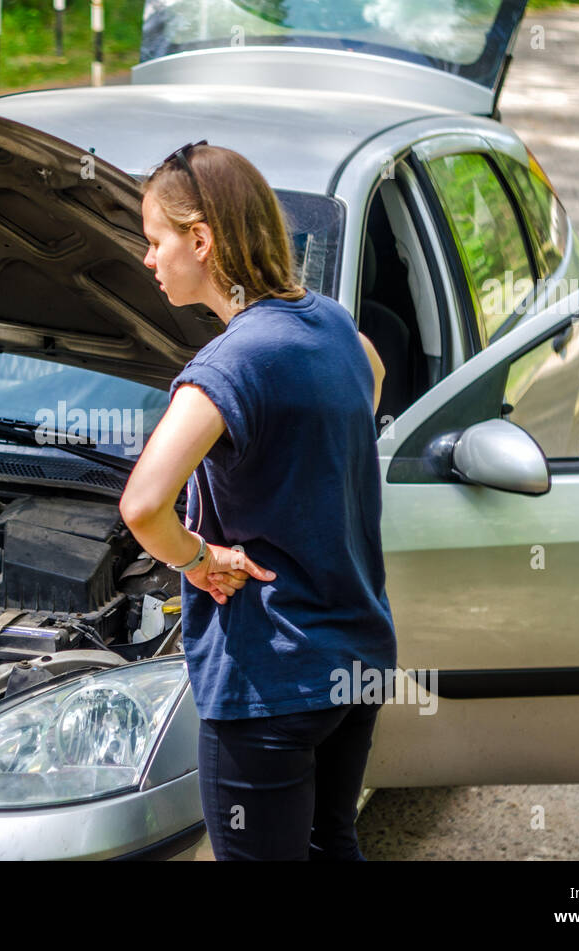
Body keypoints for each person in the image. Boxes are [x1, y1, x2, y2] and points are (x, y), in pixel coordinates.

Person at [118, 141, 397, 861]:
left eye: (156, 241)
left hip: (271, 677)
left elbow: (144, 504)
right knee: (333, 844)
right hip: (354, 658)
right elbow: (372, 373)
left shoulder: (228, 364)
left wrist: (201, 556)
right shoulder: (331, 324)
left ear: (201, 240)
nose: (149, 260)